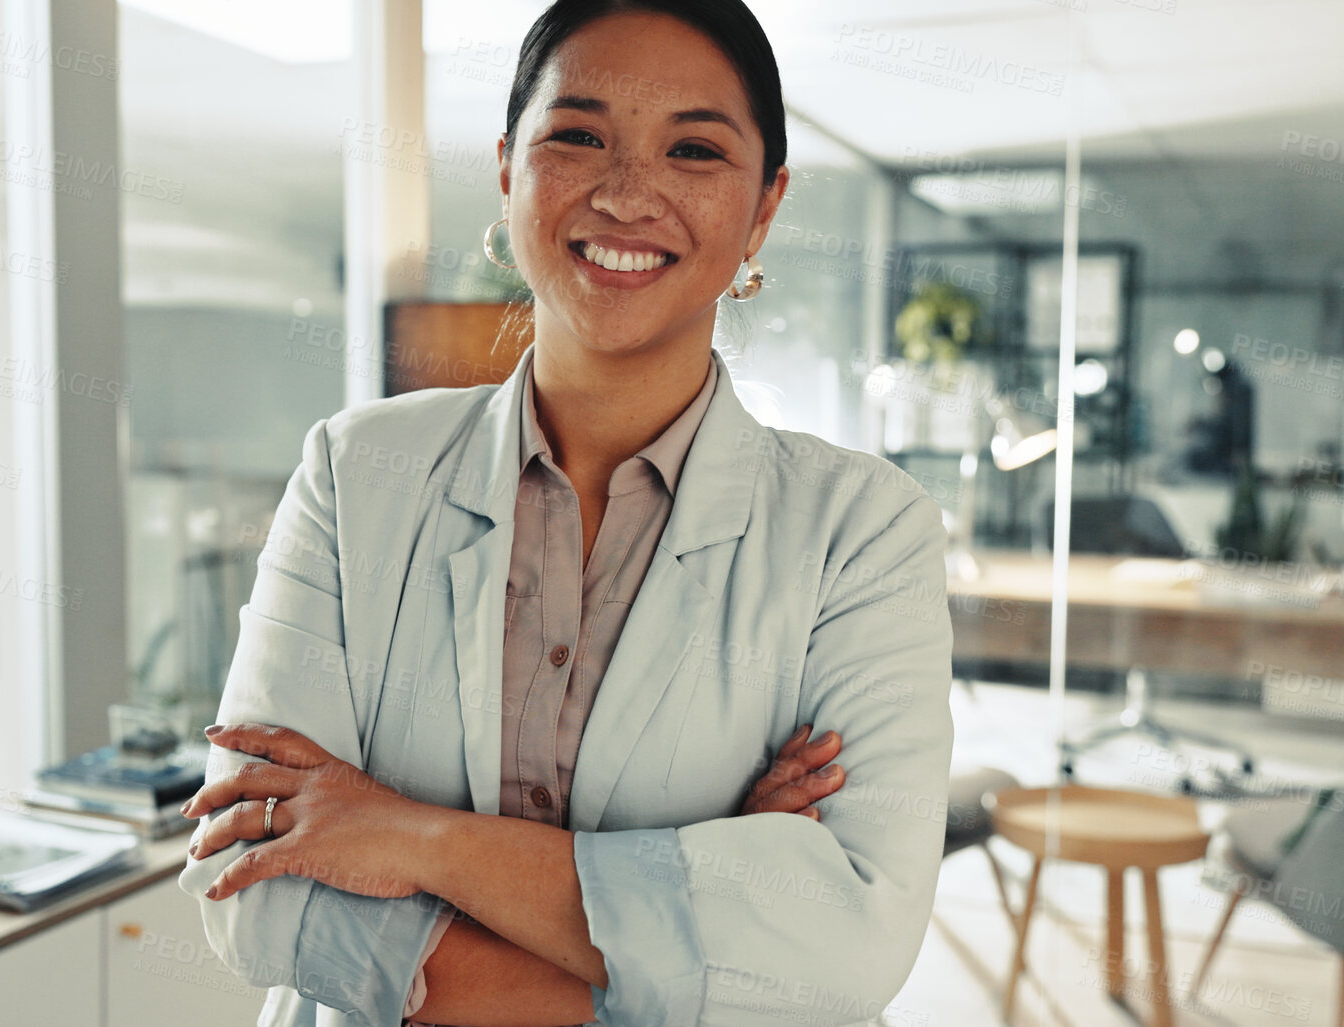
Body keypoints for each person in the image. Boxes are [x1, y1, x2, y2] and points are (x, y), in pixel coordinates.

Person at [177, 2, 953, 1024]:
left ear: (764, 209)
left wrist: (409, 836)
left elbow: (849, 933)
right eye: (579, 136)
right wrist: (691, 917)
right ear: (508, 170)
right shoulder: (354, 471)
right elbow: (254, 881)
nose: (630, 193)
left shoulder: (865, 530)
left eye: (695, 150)